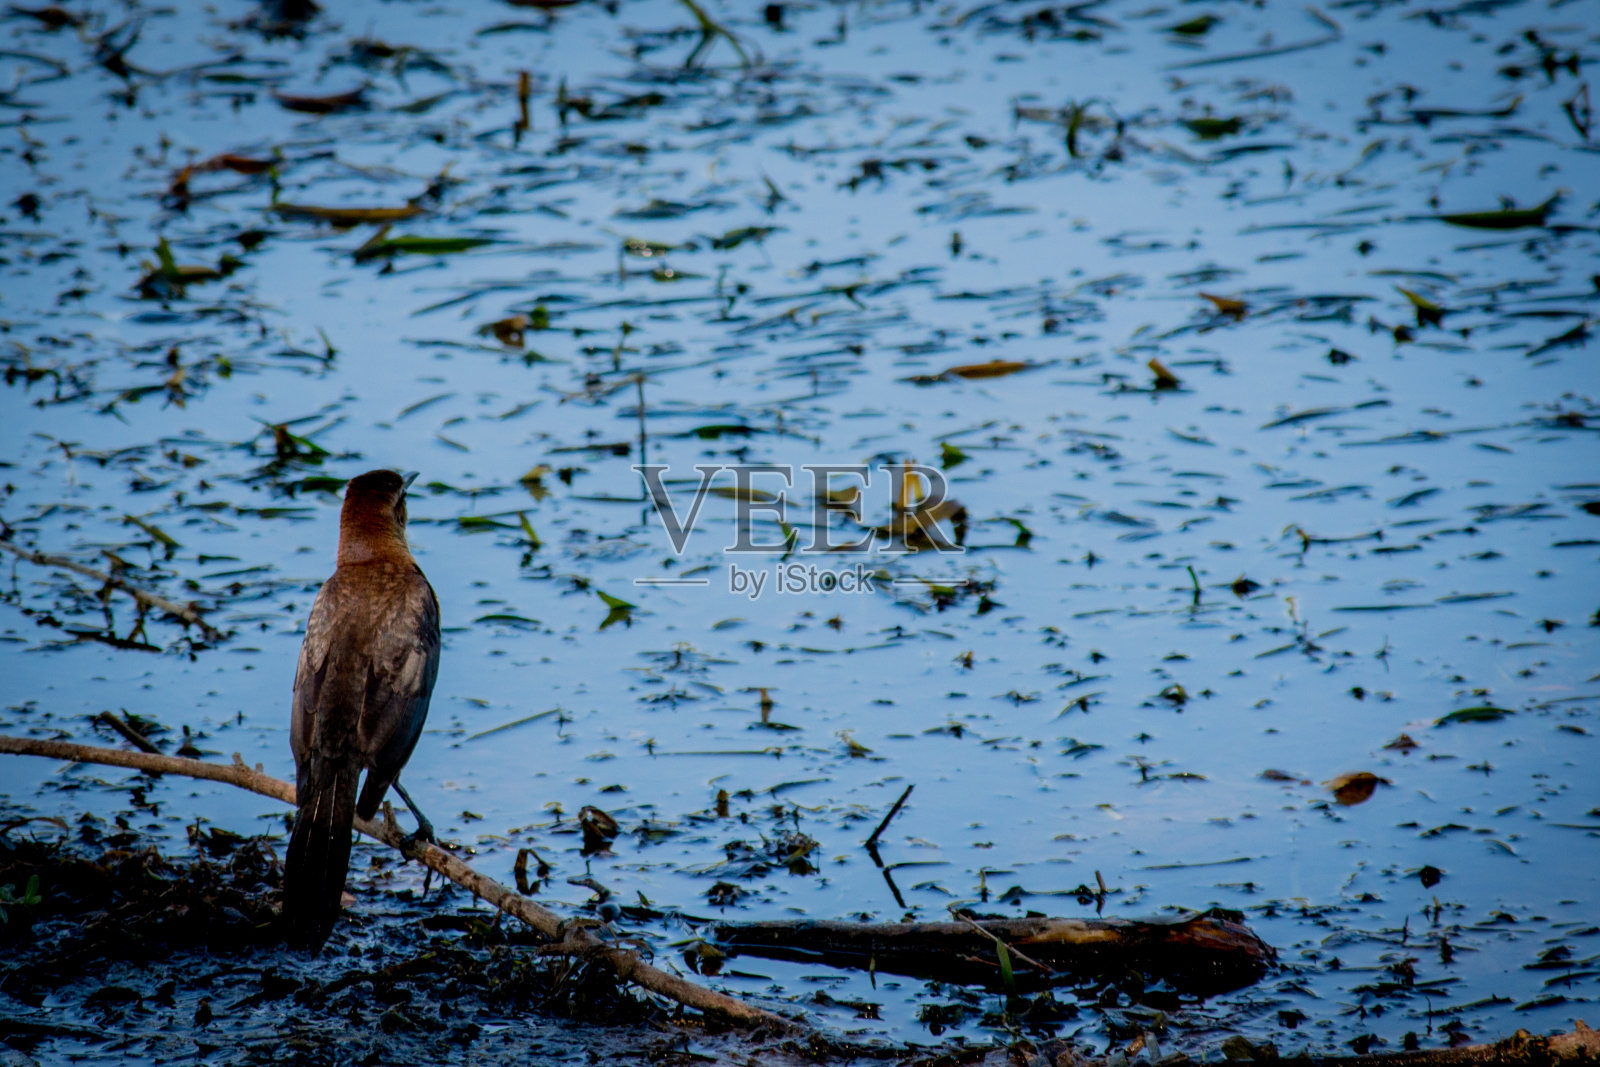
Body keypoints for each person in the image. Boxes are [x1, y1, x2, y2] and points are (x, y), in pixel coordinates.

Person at [283, 469, 440, 949]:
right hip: (378, 738)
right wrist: (378, 783)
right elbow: (408, 705)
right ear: (396, 518)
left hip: (317, 741)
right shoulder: (415, 596)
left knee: (320, 811)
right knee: (346, 803)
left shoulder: (331, 594)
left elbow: (306, 688)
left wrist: (309, 766)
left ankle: (302, 922)